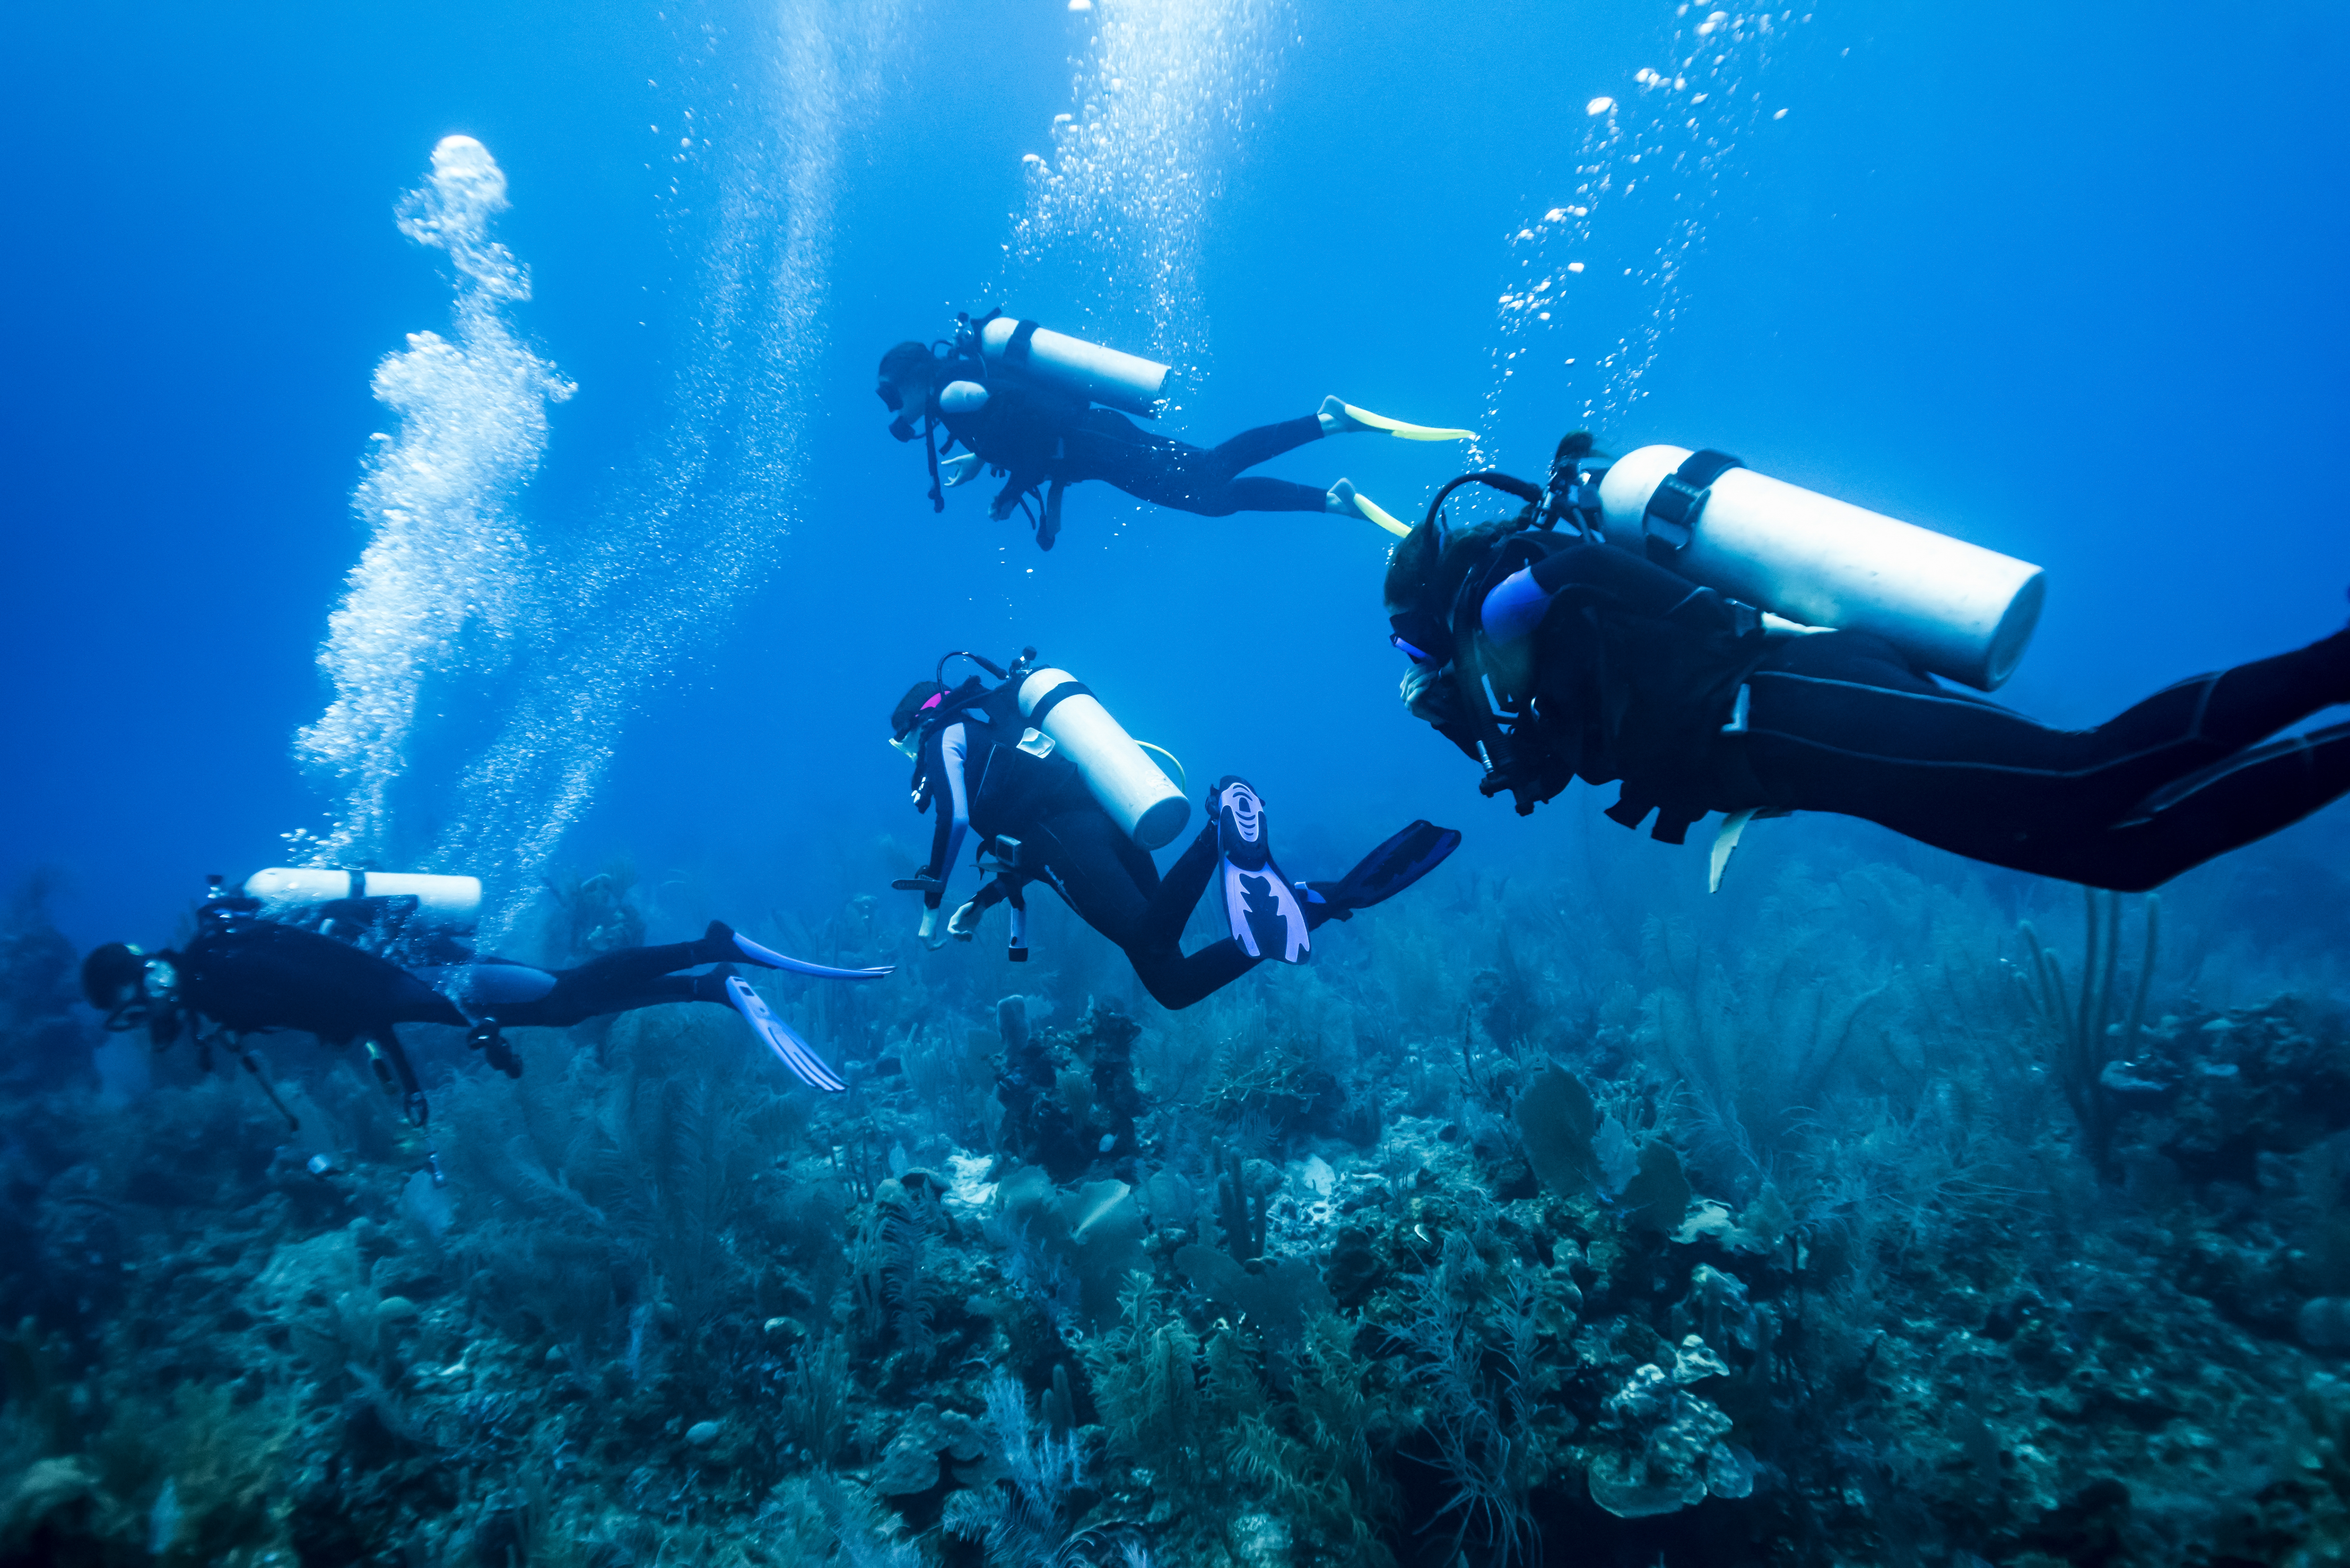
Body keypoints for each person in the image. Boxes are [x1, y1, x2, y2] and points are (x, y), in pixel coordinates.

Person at [1384, 433, 2350, 893]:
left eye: (1410, 643)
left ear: (1441, 610)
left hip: (1792, 702)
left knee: (2086, 774)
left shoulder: (1501, 604)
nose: (1417, 668)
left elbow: (1583, 565)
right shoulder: (1518, 672)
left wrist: (1706, 630)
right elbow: (1585, 735)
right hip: (1799, 753)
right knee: (2122, 854)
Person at [887, 652, 1461, 1009]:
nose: (910, 752)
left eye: (905, 742)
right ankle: (1315, 901)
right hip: (1104, 825)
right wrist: (982, 903)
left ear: (919, 724)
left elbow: (957, 818)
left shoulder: (945, 738)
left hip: (1065, 838)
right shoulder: (993, 734)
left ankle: (1219, 828)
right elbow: (1019, 849)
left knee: (1150, 939)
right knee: (1172, 984)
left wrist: (933, 905)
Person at [80, 888, 888, 1135]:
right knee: (566, 1007)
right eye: (133, 1014)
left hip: (426, 979)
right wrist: (404, 1077)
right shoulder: (217, 978)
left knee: (564, 994)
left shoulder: (223, 964)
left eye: (136, 997)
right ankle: (712, 980)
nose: (149, 1013)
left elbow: (349, 988)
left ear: (143, 969)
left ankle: (713, 950)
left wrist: (463, 1019)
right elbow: (347, 1010)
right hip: (420, 991)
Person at [876, 321, 1466, 549]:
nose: (893, 408)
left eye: (890, 393)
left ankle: (1328, 427)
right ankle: (1330, 484)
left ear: (913, 380)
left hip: (1099, 444)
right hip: (1098, 444)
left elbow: (1035, 426)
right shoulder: (958, 394)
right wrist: (983, 465)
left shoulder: (953, 396)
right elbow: (1013, 420)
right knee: (1211, 491)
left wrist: (1011, 492)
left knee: (1210, 481)